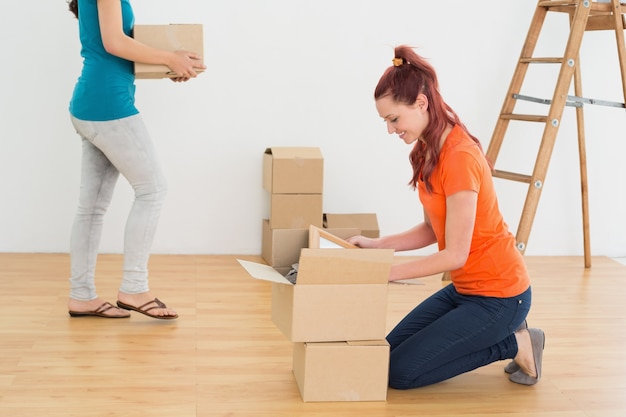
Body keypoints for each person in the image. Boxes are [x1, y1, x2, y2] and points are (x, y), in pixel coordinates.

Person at [346, 46, 545, 388]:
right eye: (386, 121)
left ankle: (518, 342)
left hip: (501, 297)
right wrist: (377, 246)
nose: (390, 130)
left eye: (394, 119)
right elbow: (430, 229)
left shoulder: (459, 157)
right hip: (465, 289)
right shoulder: (427, 149)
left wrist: (388, 274)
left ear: (421, 104)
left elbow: (455, 254)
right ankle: (507, 337)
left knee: (400, 374)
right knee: (386, 355)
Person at [65, 0, 205, 319]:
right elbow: (115, 43)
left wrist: (166, 67)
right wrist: (170, 57)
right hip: (108, 105)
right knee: (152, 190)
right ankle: (134, 288)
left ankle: (82, 296)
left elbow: (111, 51)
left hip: (92, 103)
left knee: (91, 208)